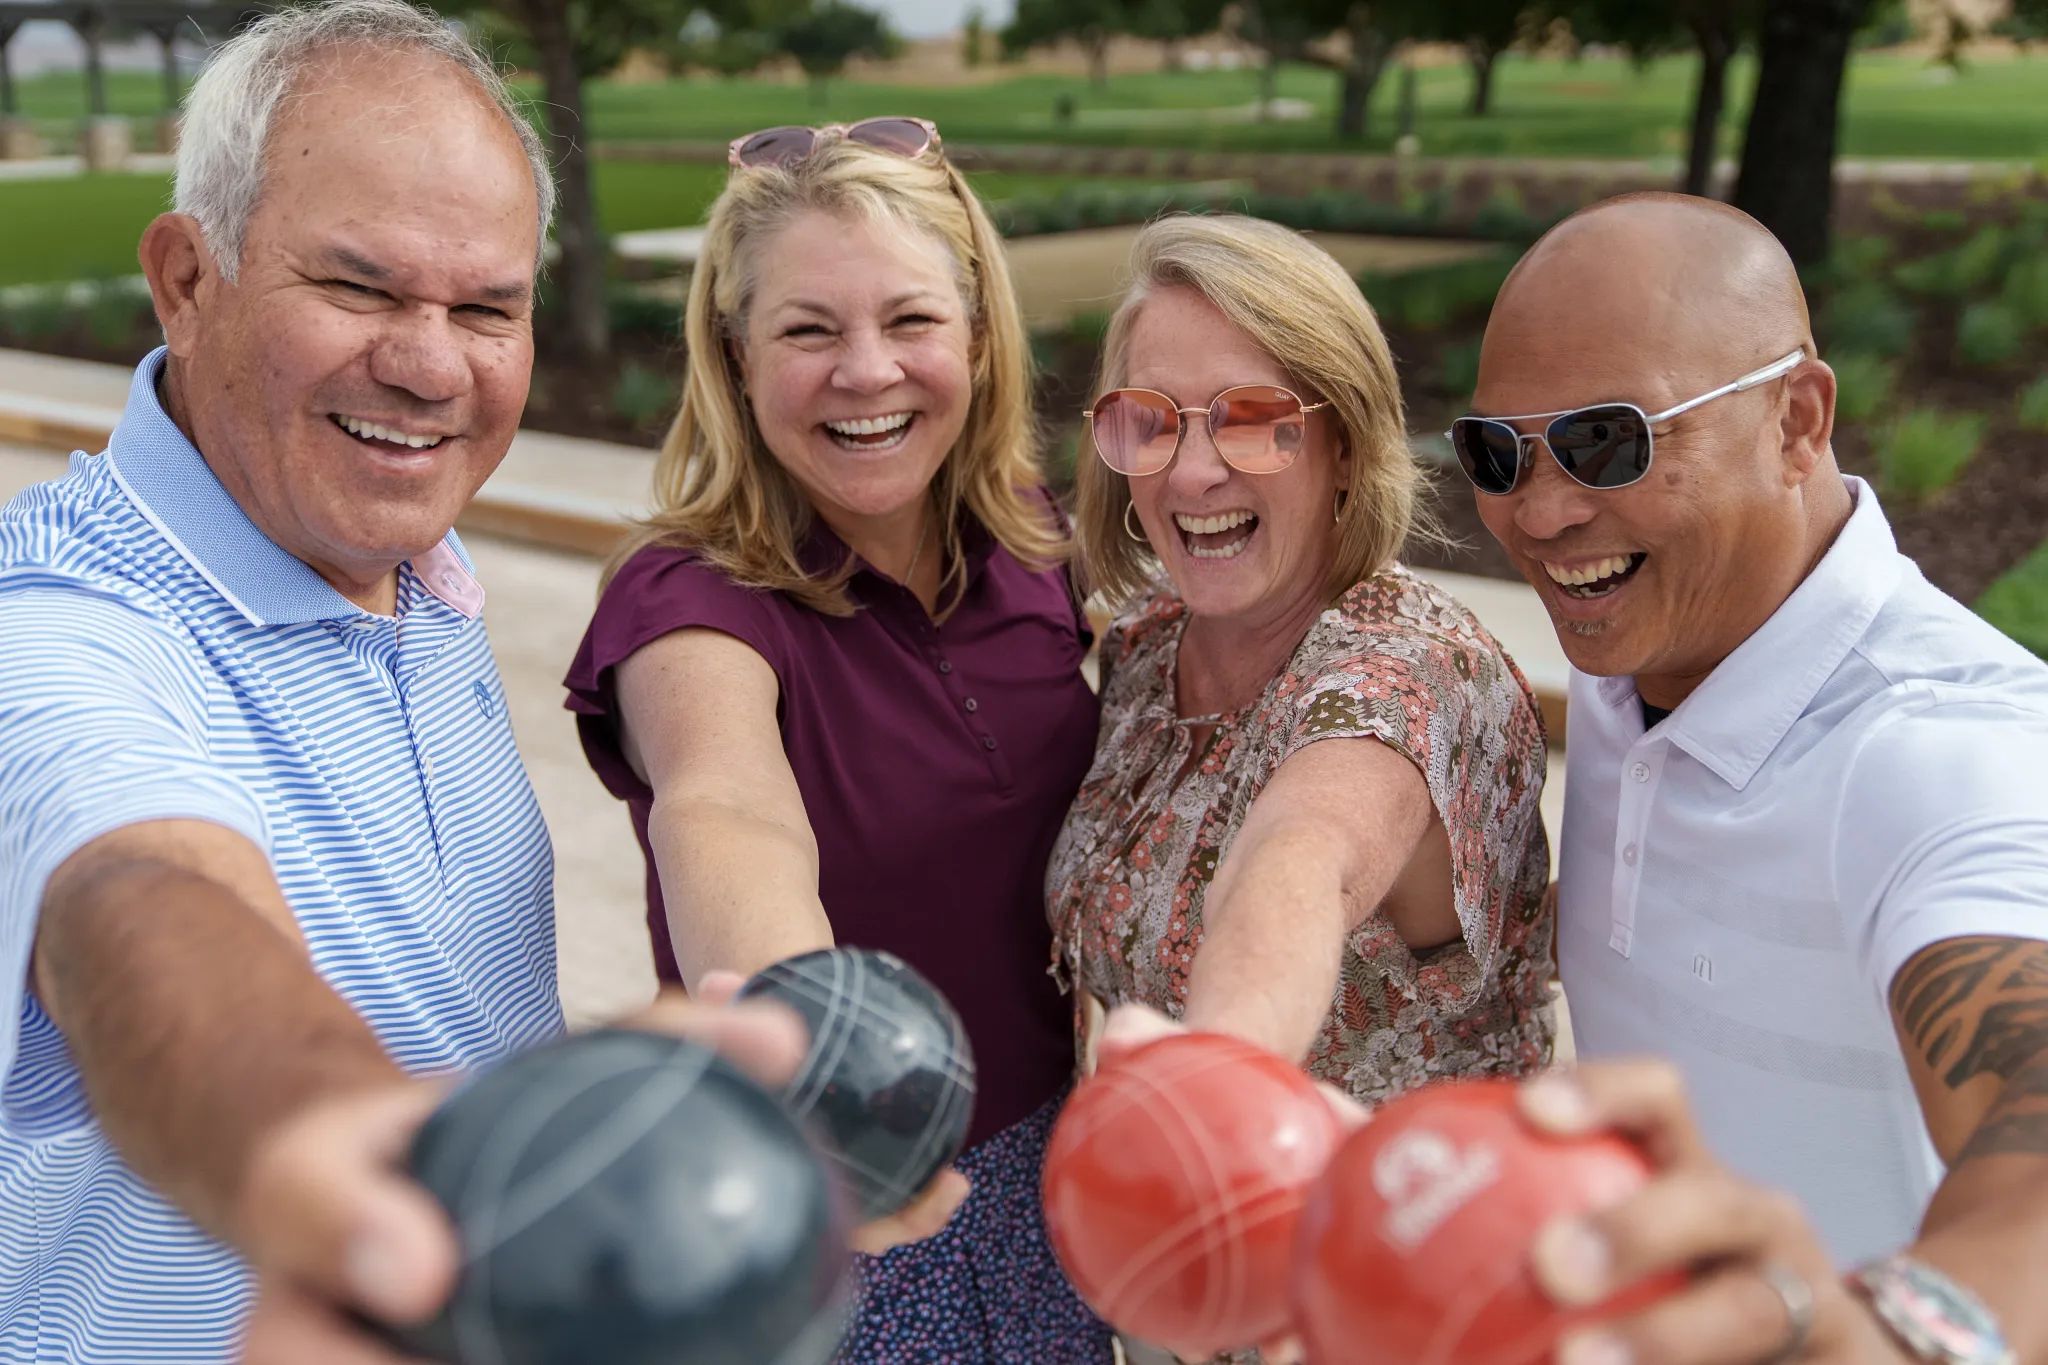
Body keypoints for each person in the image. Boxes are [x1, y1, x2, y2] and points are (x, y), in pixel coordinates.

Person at [0, 9, 947, 1363]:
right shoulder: (55, 627)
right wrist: (317, 1134)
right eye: (361, 289)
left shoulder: (404, 563)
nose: (431, 364)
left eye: (487, 308)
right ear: (185, 278)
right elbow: (142, 895)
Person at [1451, 192, 2048, 1364]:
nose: (1540, 510)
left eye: (1604, 441)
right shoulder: (1647, 660)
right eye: (1494, 452)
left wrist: (1900, 1336)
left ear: (1795, 420)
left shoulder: (1937, 749)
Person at [562, 125, 1112, 1362]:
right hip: (831, 1195)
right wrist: (814, 1067)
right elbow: (726, 810)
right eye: (809, 331)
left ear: (977, 338)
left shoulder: (1031, 542)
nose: (867, 373)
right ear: (734, 357)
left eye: (911, 321)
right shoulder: (684, 600)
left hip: (1054, 1186)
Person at [1044, 214, 1556, 1361]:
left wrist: (1206, 1094)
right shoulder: (1141, 650)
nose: (1190, 470)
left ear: (1346, 441)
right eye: (1147, 422)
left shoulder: (1417, 671)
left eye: (1255, 422)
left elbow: (1301, 857)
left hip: (1409, 1302)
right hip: (1199, 1287)